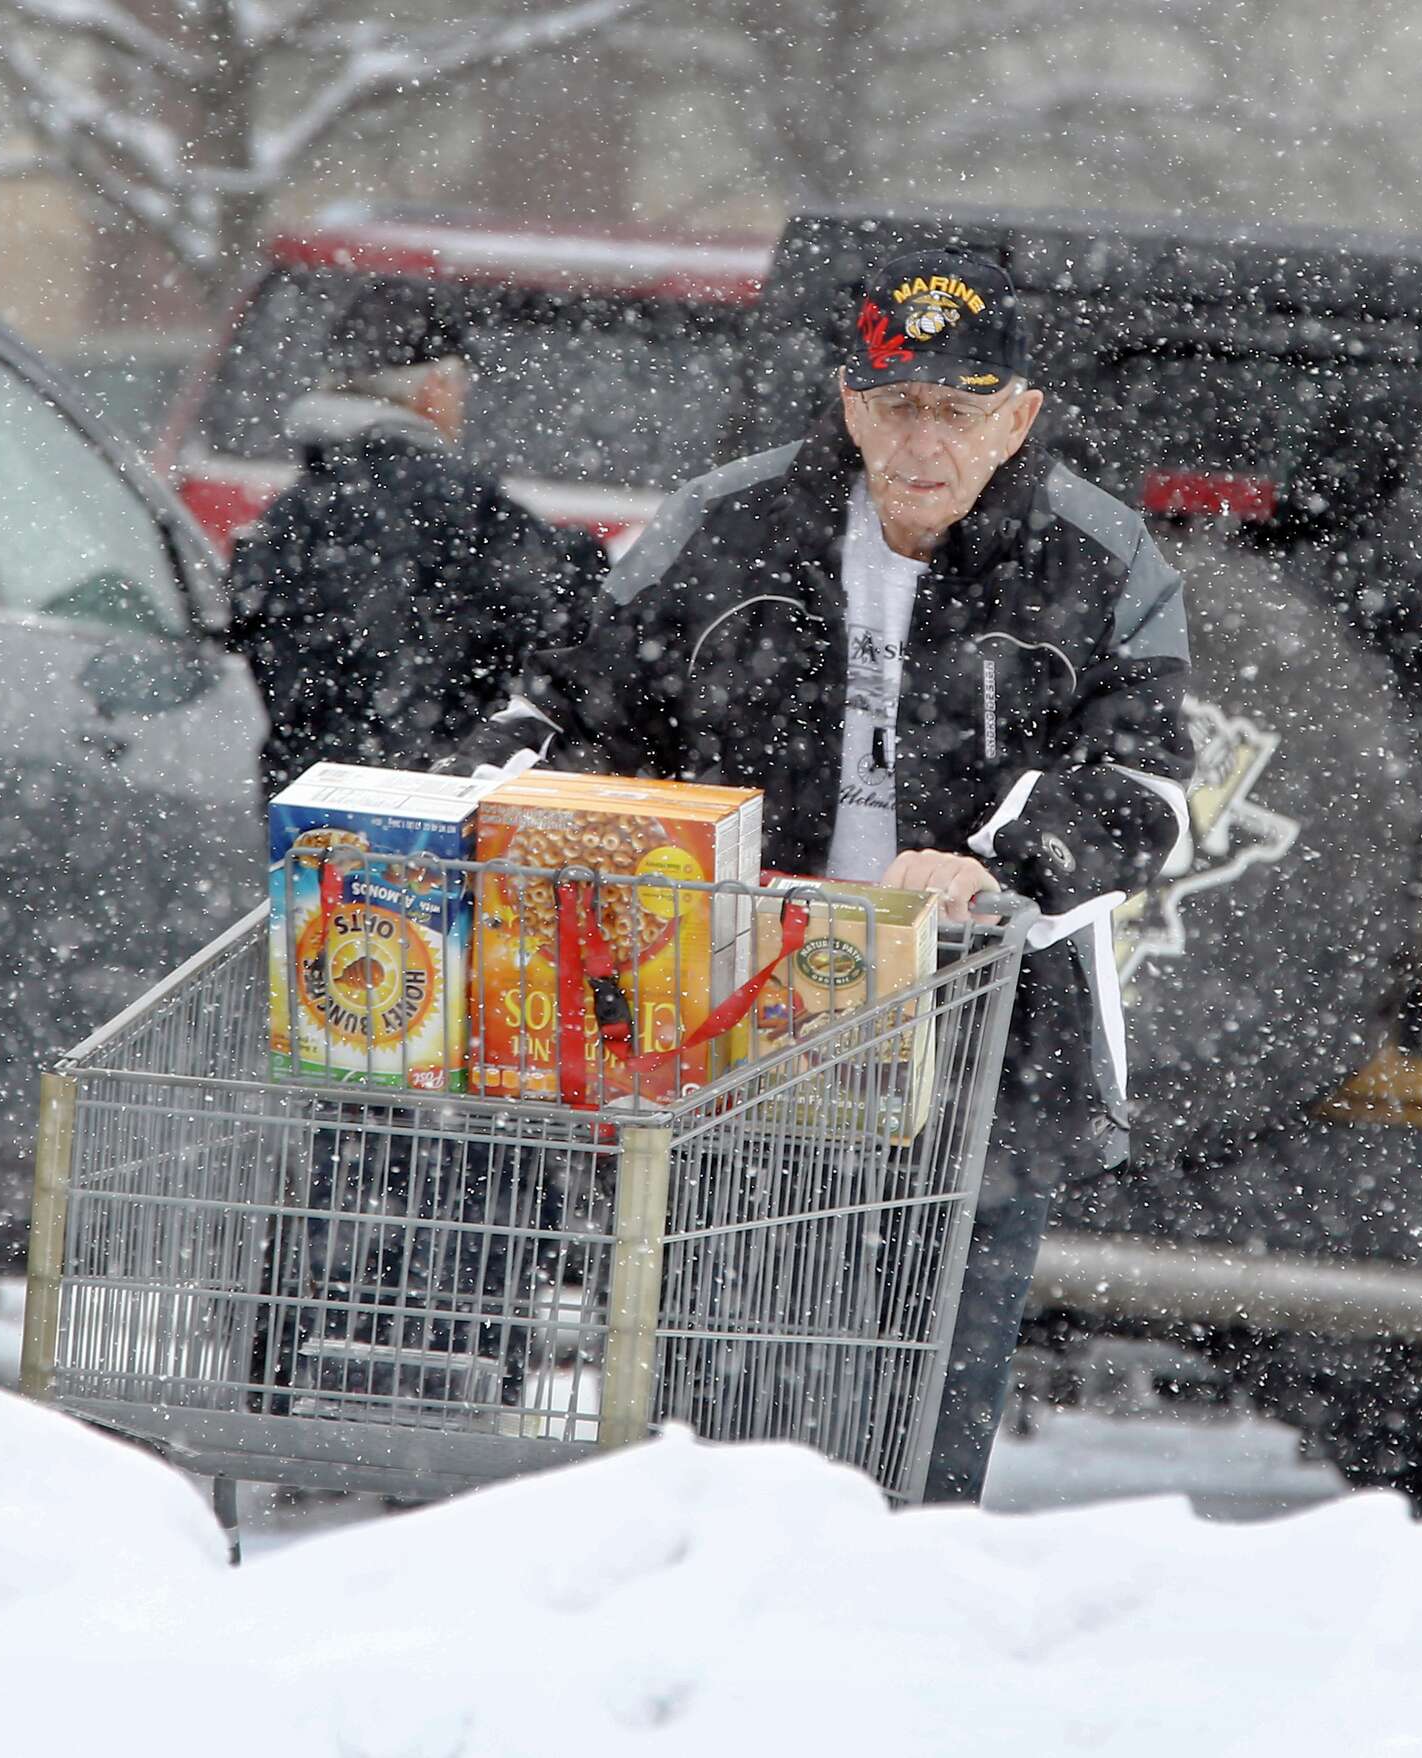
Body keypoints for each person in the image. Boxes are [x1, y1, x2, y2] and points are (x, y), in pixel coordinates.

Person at [458, 246, 1195, 1502]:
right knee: (714, 1412)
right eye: (896, 405)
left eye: (960, 411)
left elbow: (1146, 791)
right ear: (848, 403)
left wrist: (991, 864)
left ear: (1016, 417)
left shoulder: (1096, 557)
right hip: (736, 1019)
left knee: (916, 1424)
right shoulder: (723, 523)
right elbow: (578, 705)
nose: (923, 442)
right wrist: (484, 792)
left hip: (977, 1042)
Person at [225, 277, 608, 795]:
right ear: (435, 388)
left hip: (308, 808)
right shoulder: (458, 508)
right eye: (460, 390)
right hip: (430, 814)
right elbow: (566, 609)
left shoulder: (291, 515)